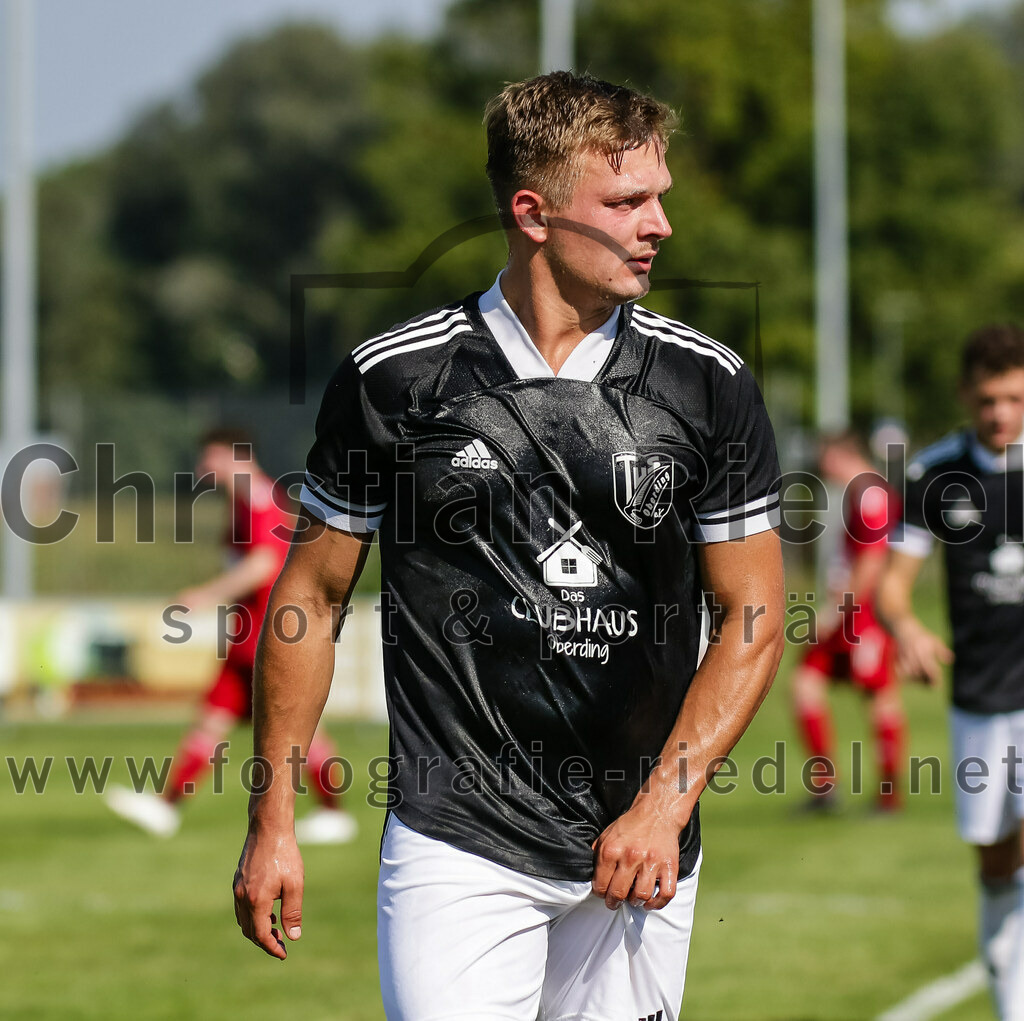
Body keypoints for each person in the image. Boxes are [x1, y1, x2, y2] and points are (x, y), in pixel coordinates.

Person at [232, 71, 785, 1020]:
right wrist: (272, 816)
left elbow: (755, 613)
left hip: (638, 844)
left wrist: (661, 808)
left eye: (660, 197)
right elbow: (308, 599)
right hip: (457, 837)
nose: (659, 225)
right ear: (534, 212)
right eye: (626, 202)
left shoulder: (707, 383)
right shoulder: (396, 380)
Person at [106, 428, 357, 845]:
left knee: (299, 729)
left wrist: (204, 596)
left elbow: (262, 563)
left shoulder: (258, 498)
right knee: (217, 720)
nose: (204, 468)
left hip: (268, 632)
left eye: (210, 458)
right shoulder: (246, 500)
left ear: (232, 455)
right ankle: (165, 807)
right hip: (250, 633)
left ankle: (335, 814)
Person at [878, 324, 1024, 1019]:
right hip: (979, 699)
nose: (1002, 413)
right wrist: (906, 626)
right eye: (990, 398)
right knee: (997, 865)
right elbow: (892, 585)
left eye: (1016, 398)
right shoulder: (934, 475)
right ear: (967, 393)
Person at [792, 430, 904, 811]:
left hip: (865, 617)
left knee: (878, 696)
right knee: (806, 683)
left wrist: (835, 613)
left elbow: (872, 564)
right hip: (849, 614)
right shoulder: (860, 493)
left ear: (840, 455)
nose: (822, 469)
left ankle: (888, 796)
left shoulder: (872, 494)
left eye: (825, 459)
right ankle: (826, 788)